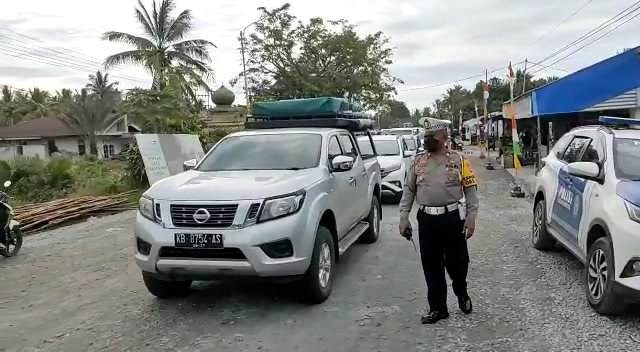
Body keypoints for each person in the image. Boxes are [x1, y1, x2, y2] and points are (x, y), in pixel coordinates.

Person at [399, 119, 480, 324]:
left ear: (443, 138)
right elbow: (409, 191)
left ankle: (461, 292)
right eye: (426, 137)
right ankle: (438, 308)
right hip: (427, 220)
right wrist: (403, 217)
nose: (427, 141)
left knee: (459, 262)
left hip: (452, 218)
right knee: (431, 265)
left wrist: (471, 218)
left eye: (431, 138)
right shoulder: (418, 162)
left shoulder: (459, 160)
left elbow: (470, 191)